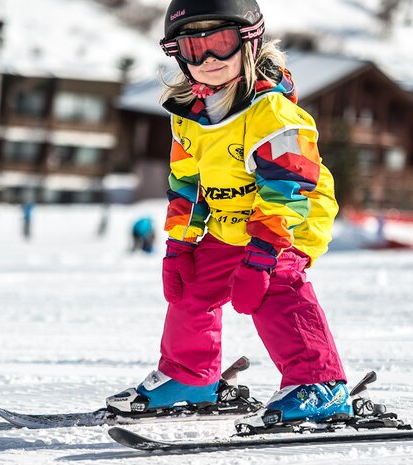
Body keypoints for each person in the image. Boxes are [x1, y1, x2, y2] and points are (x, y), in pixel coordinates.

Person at [107, 0, 353, 427]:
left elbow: (287, 189)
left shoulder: (273, 114)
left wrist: (261, 255)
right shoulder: (189, 117)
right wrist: (180, 244)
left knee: (275, 283)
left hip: (289, 216)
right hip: (231, 220)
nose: (207, 59)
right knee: (194, 286)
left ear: (249, 43)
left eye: (220, 43)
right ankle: (190, 376)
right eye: (192, 47)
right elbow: (186, 184)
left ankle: (320, 384)